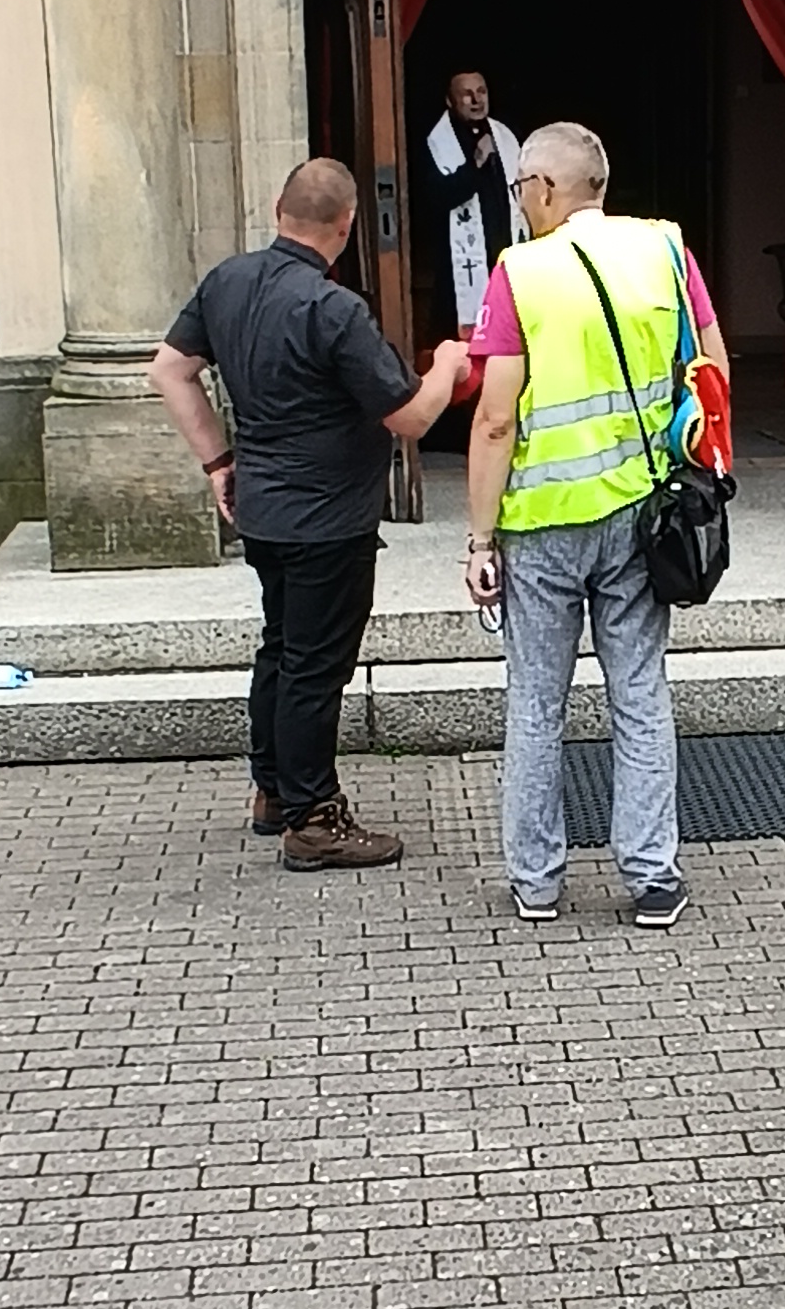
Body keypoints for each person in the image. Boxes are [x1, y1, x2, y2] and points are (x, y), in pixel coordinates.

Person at [149, 157, 465, 871]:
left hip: (263, 508)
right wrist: (446, 366)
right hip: (329, 519)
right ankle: (314, 819)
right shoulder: (334, 309)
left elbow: (168, 369)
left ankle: (274, 791)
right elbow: (410, 418)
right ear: (348, 225)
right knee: (315, 668)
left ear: (277, 209)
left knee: (282, 648)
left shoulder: (226, 281)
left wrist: (218, 461)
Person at [462, 119, 728, 928]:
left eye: (521, 187)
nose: (520, 201)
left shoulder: (520, 273)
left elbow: (496, 420)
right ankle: (652, 878)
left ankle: (537, 882)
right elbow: (712, 370)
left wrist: (480, 539)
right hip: (641, 517)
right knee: (640, 697)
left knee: (536, 707)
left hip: (542, 525)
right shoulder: (667, 252)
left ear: (545, 187)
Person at [420, 72, 524, 335]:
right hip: (458, 261)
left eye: (481, 92)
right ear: (450, 101)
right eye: (467, 94)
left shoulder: (504, 136)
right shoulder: (437, 142)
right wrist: (476, 163)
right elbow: (438, 196)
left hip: (503, 249)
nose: (477, 100)